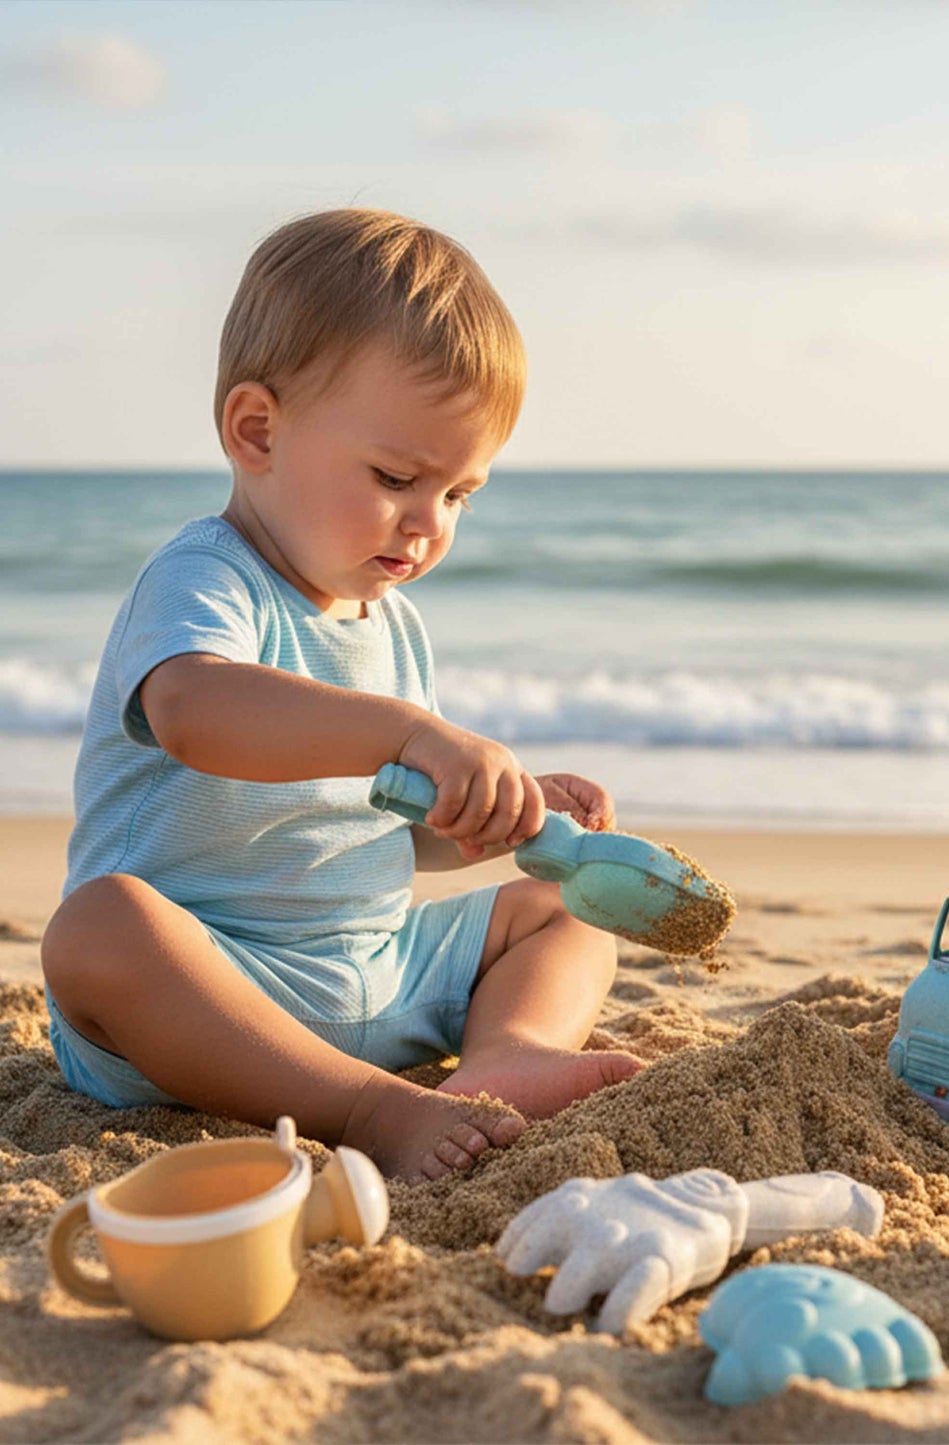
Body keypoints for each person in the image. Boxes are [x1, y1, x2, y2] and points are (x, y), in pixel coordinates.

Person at [40, 208, 644, 1179]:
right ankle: (364, 1104)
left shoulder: (389, 625)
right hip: (213, 996)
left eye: (459, 493)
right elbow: (196, 712)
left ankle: (504, 1050)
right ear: (257, 431)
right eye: (398, 476)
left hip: (374, 969)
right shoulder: (205, 578)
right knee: (95, 929)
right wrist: (410, 731)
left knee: (562, 907)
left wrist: (486, 816)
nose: (427, 524)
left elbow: (379, 831)